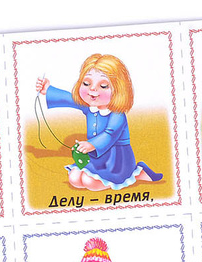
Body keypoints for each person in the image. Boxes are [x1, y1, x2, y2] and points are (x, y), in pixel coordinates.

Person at [35, 54, 163, 191]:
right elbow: (70, 99)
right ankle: (133, 173)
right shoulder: (90, 107)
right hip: (96, 157)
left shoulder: (117, 114)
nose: (92, 89)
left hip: (116, 160)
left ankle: (135, 173)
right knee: (74, 178)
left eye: (103, 86)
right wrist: (48, 90)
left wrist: (91, 144)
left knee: (89, 182)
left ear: (119, 90)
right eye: (86, 83)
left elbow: (110, 134)